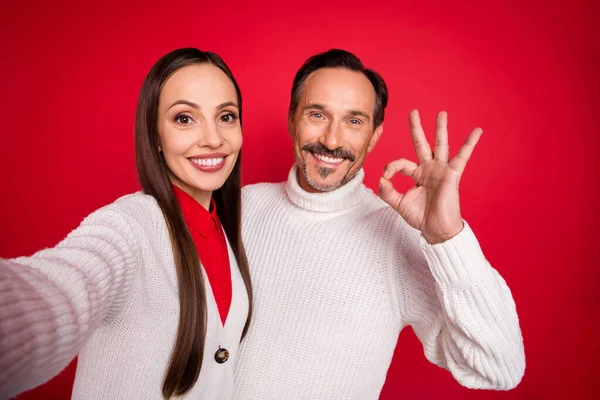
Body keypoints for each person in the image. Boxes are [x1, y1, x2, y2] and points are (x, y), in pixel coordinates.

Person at [233, 49, 525, 399]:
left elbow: (500, 368)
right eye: (316, 114)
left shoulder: (394, 236)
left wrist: (448, 237)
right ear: (292, 119)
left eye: (354, 122)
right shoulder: (241, 207)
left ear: (373, 136)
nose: (331, 140)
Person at [0, 47, 252, 400]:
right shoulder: (128, 227)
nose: (213, 138)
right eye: (184, 118)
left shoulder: (226, 231)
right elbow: (58, 290)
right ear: (156, 136)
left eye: (226, 116)